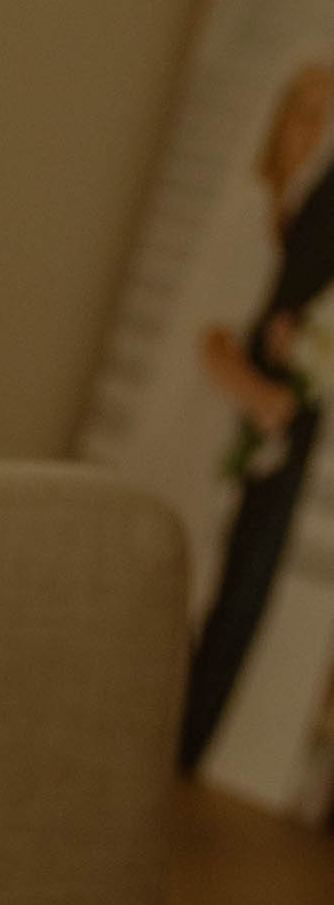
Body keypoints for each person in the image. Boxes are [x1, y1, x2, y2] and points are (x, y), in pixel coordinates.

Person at [178, 57, 334, 774]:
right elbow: (210, 339)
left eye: (325, 114)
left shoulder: (292, 220)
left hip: (246, 424)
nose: (313, 127)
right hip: (213, 416)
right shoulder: (249, 206)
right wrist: (265, 396)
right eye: (303, 109)